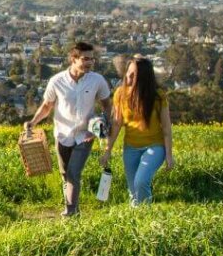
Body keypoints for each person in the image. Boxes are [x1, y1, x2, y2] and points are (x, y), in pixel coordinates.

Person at [24, 42, 112, 216]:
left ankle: (70, 211)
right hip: (62, 135)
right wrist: (33, 122)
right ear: (73, 59)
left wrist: (103, 125)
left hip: (85, 135)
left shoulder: (97, 80)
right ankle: (72, 209)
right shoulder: (57, 81)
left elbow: (107, 106)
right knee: (65, 174)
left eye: (92, 59)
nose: (90, 63)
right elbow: (47, 106)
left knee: (73, 173)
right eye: (85, 59)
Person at [101, 54, 174, 204]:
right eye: (128, 74)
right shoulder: (120, 94)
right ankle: (138, 219)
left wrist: (169, 155)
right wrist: (107, 150)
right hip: (131, 147)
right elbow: (116, 123)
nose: (129, 78)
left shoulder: (158, 96)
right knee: (133, 190)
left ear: (144, 78)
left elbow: (166, 128)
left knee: (141, 182)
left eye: (134, 75)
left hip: (155, 146)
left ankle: (145, 214)